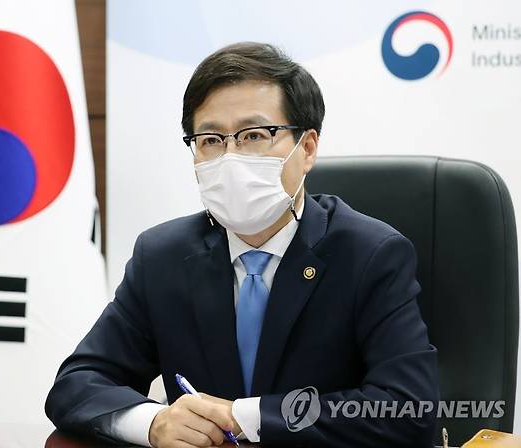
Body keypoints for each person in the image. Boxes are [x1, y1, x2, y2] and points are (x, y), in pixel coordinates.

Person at [45, 42, 439, 448]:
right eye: (211, 139)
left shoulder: (371, 255)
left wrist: (245, 416)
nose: (230, 157)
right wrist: (154, 422)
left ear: (306, 148)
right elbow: (77, 384)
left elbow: (408, 408)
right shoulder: (162, 256)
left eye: (254, 135)